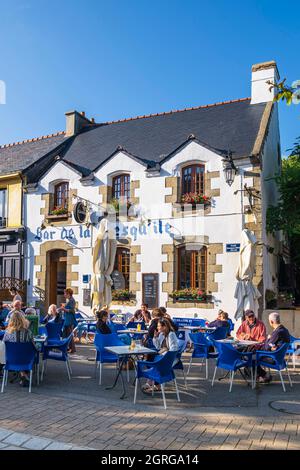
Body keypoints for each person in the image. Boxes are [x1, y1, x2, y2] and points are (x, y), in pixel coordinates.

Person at [143, 318, 179, 393]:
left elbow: (173, 349)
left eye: (159, 326)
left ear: (164, 327)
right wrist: (155, 337)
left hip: (169, 358)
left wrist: (164, 350)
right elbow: (158, 347)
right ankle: (154, 383)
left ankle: (152, 383)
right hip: (163, 355)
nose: (157, 328)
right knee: (150, 357)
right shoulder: (162, 334)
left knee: (154, 361)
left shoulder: (171, 334)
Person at [3, 310, 37, 387]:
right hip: (26, 360)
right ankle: (24, 375)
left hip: (11, 360)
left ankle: (23, 376)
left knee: (16, 354)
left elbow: (4, 347)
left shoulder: (7, 333)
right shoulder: (28, 332)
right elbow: (33, 347)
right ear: (23, 320)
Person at [254, 312, 290, 383]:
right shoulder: (285, 330)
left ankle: (264, 376)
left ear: (271, 321)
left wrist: (268, 339)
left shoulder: (277, 332)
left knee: (252, 358)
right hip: (280, 359)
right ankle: (263, 376)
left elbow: (267, 347)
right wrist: (273, 346)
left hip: (274, 359)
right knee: (255, 355)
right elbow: (274, 345)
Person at [60, 288, 77, 353]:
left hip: (69, 320)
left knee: (69, 334)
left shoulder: (71, 300)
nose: (64, 295)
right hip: (67, 319)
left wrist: (63, 309)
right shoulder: (70, 300)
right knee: (67, 334)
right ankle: (68, 348)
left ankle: (72, 348)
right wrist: (64, 307)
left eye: (65, 293)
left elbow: (72, 310)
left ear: (68, 294)